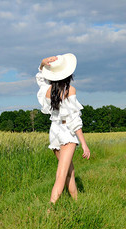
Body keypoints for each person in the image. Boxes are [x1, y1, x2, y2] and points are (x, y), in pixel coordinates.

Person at [36, 53, 90, 205]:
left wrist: (42, 64)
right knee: (61, 174)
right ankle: (49, 209)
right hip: (67, 132)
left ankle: (77, 203)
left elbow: (40, 79)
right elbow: (74, 120)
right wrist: (84, 144)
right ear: (69, 74)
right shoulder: (69, 90)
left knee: (69, 172)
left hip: (54, 131)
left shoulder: (47, 90)